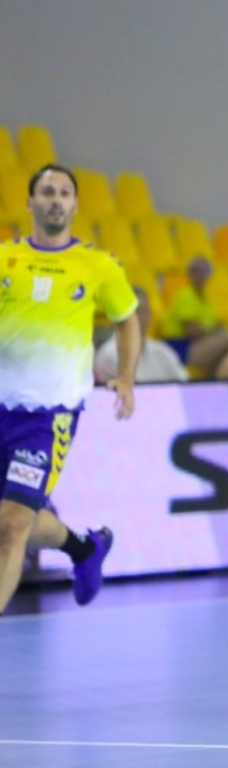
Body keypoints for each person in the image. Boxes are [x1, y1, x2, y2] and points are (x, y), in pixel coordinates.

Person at [0, 164, 140, 613]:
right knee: (13, 519)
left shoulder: (97, 265)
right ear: (30, 202)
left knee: (12, 523)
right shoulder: (5, 258)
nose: (56, 200)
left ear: (76, 204)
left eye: (64, 193)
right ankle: (84, 548)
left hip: (48, 416)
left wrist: (126, 377)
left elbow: (127, 320)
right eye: (47, 192)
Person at [96, 285, 188, 383]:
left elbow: (186, 385)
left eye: (142, 310)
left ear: (150, 314)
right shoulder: (108, 356)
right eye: (133, 311)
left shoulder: (163, 353)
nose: (137, 317)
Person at [161, 255, 228, 375]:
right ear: (190, 274)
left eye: (205, 271)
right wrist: (214, 331)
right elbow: (193, 332)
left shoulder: (207, 298)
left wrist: (214, 330)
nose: (202, 275)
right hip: (181, 346)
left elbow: (210, 326)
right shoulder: (186, 296)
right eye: (198, 271)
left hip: (200, 343)